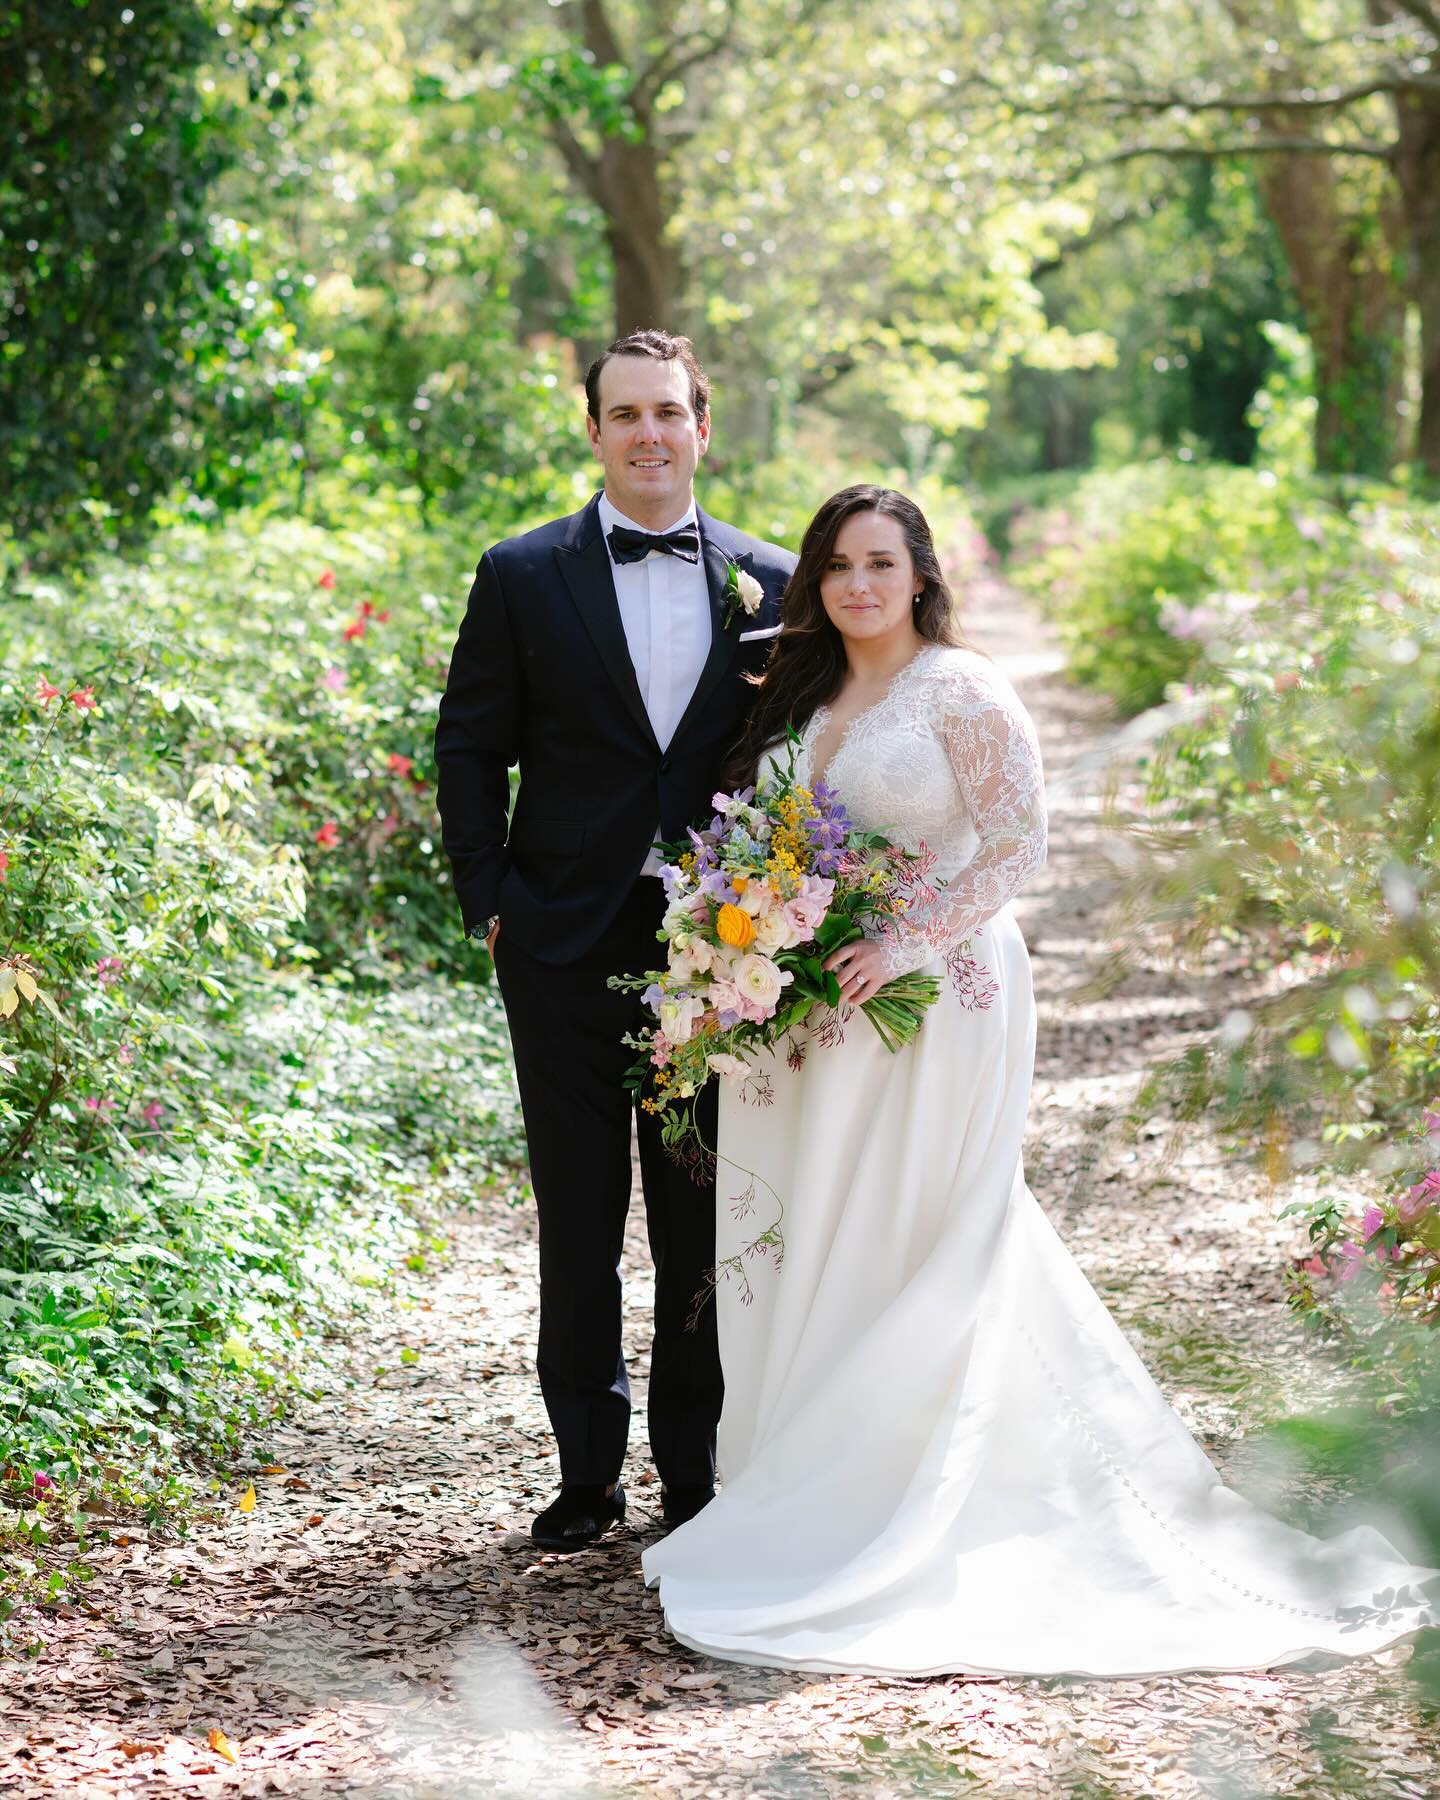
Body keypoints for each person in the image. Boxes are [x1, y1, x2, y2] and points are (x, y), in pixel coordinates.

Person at [640, 484, 1437, 1675]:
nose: (859, 585)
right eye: (840, 566)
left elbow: (1021, 840)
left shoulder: (961, 689)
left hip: (937, 997)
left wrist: (902, 941)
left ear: (919, 576)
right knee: (825, 1234)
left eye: (881, 564)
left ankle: (910, 1495)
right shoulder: (806, 693)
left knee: (919, 1233)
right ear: (816, 580)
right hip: (822, 1014)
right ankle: (809, 1484)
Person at [434, 331, 795, 1551]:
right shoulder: (522, 573)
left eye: (669, 413)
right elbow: (471, 744)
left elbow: (801, 760)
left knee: (699, 1210)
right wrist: (492, 898)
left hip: (721, 949)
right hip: (560, 941)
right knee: (578, 1212)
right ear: (592, 430)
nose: (649, 433)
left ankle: (692, 1473)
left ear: (705, 427)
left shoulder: (772, 582)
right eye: (624, 413)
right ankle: (586, 1473)